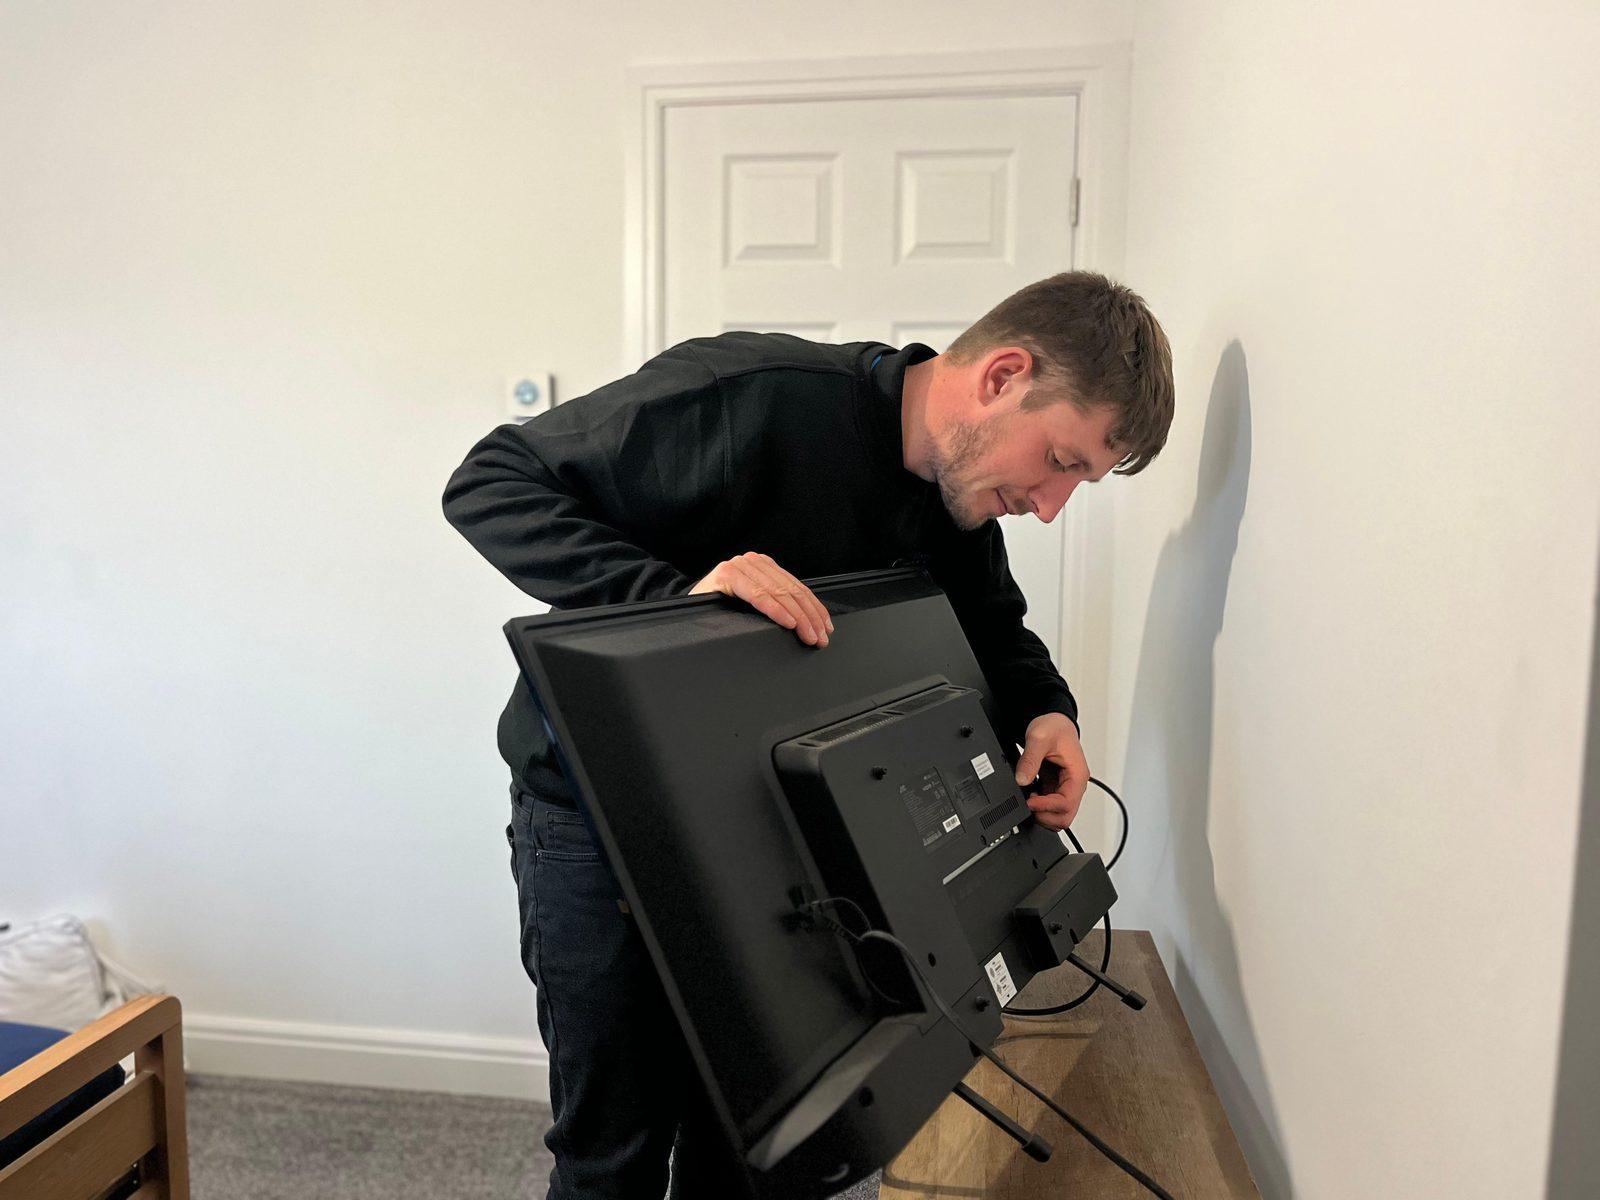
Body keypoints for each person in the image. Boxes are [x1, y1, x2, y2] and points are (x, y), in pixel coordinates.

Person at [442, 270, 1174, 1199]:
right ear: (1002, 377)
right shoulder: (747, 398)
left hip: (783, 848)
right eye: (1062, 460)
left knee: (759, 1147)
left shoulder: (958, 495)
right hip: (603, 832)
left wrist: (1049, 713)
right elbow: (491, 482)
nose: (1052, 503)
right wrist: (675, 603)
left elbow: (994, 625)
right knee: (613, 1154)